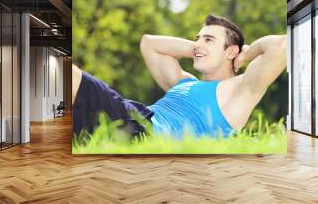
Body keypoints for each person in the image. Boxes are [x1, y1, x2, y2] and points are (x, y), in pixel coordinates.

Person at [72, 14, 286, 139]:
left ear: (231, 52)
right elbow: (149, 43)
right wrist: (200, 48)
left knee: (71, 75)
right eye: (197, 38)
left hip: (145, 130)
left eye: (209, 39)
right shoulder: (184, 81)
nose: (199, 43)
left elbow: (282, 45)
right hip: (133, 113)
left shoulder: (239, 90)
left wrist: (245, 55)